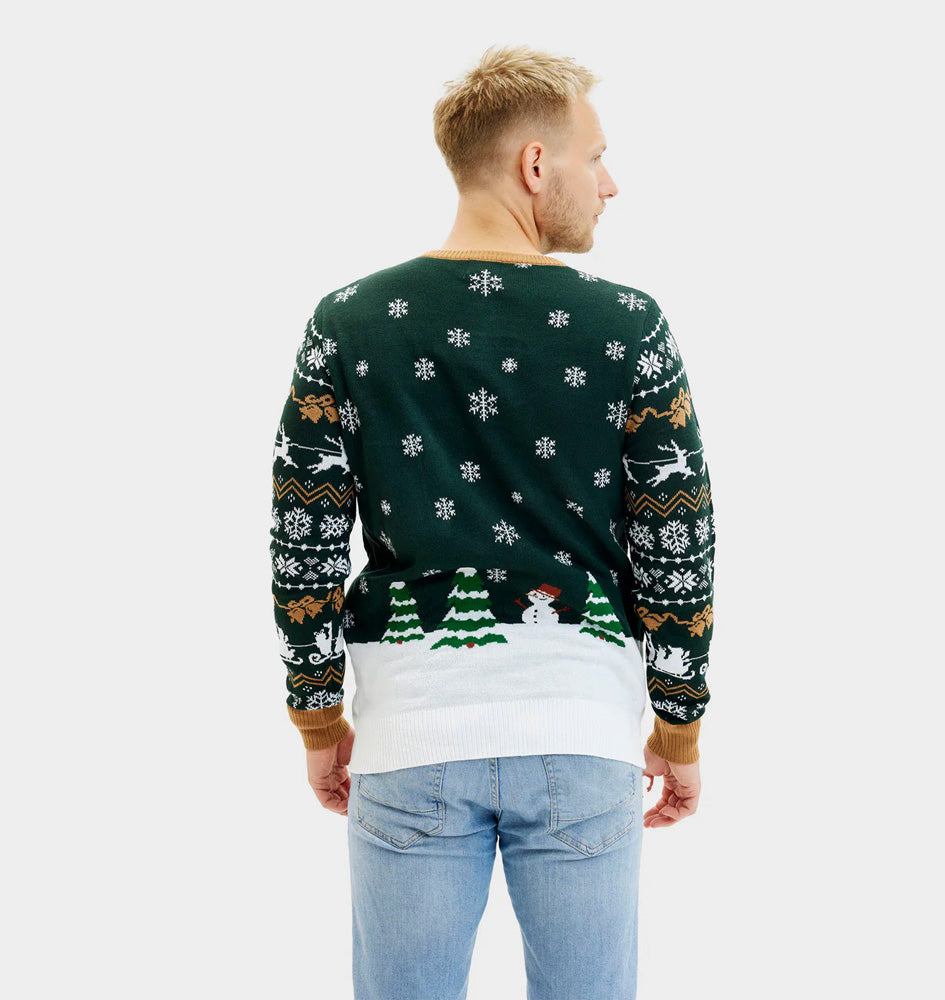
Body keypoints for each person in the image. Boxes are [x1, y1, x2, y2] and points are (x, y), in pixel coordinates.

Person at [269, 43, 716, 1000]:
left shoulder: (348, 321)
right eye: (596, 156)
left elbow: (304, 535)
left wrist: (319, 715)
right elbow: (676, 543)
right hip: (580, 736)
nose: (610, 183)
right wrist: (677, 728)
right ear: (535, 163)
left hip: (410, 741)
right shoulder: (628, 324)